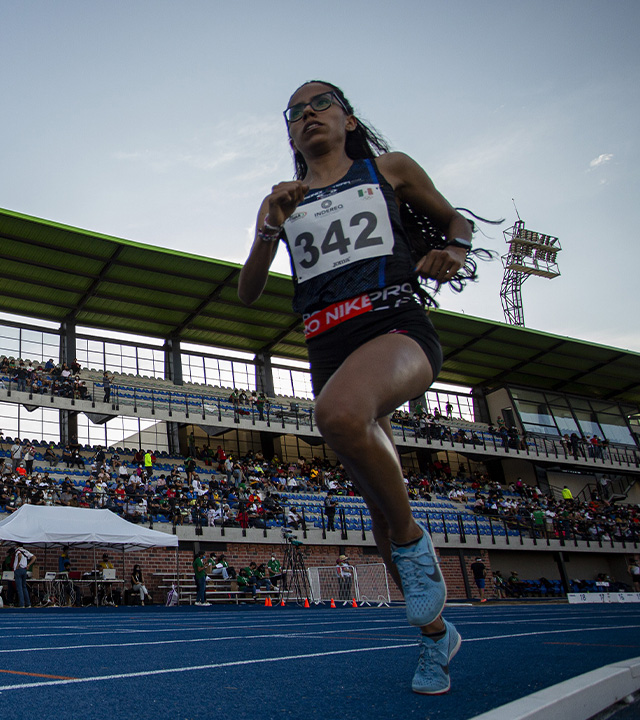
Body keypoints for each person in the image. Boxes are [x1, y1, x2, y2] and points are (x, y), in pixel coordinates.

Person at [238, 81, 470, 694]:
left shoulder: (386, 168)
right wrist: (270, 226)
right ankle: (434, 639)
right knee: (377, 520)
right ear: (290, 134)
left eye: (321, 103)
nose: (309, 114)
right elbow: (248, 292)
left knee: (338, 415)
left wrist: (454, 246)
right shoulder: (281, 200)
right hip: (328, 347)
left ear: (346, 117)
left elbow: (454, 218)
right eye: (296, 112)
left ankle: (417, 544)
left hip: (397, 327)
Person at [13, 543, 34, 608]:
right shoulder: (26, 551)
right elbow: (34, 557)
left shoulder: (18, 550)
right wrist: (28, 565)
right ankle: (28, 603)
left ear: (17, 545)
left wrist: (18, 564)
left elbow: (19, 555)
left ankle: (22, 604)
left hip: (18, 569)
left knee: (19, 588)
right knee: (24, 587)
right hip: (24, 570)